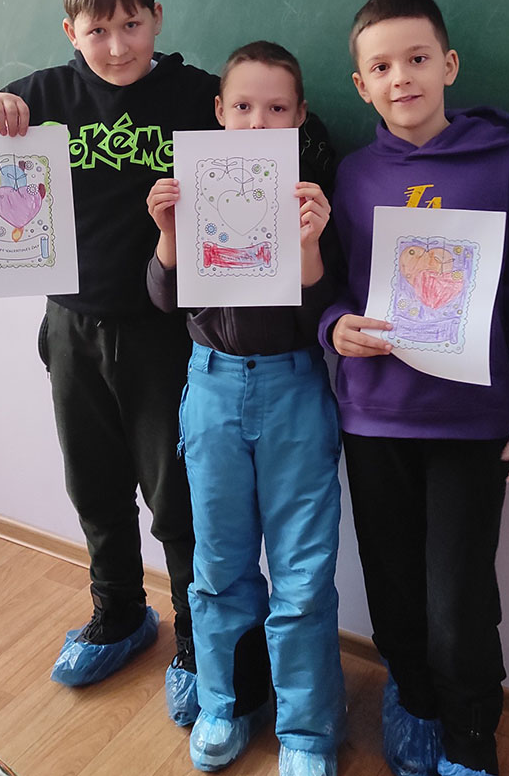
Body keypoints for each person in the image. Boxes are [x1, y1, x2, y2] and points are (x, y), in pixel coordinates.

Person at [0, 0, 220, 701]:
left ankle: (198, 639)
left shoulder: (197, 96)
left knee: (177, 496)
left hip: (164, 331)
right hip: (70, 326)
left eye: (132, 25)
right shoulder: (44, 96)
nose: (118, 46)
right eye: (98, 30)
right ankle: (119, 612)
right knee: (93, 483)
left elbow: (272, 129)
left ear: (157, 18)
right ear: (71, 31)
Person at [318, 0, 509, 776]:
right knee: (393, 583)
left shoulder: (501, 164)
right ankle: (411, 697)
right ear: (360, 85)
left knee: (458, 598)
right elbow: (331, 282)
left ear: (449, 64)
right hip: (374, 417)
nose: (401, 77)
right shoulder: (352, 175)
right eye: (381, 67)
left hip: (470, 422)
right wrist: (333, 326)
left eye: (416, 59)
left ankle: (471, 734)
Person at [146, 41, 345, 776]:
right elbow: (165, 299)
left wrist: (311, 243)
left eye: (277, 108)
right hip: (213, 387)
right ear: (219, 112)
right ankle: (225, 701)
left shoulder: (309, 197)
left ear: (299, 117)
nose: (258, 123)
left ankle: (308, 729)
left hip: (294, 387)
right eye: (242, 107)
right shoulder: (194, 187)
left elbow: (324, 313)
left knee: (302, 570)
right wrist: (169, 235)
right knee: (218, 564)